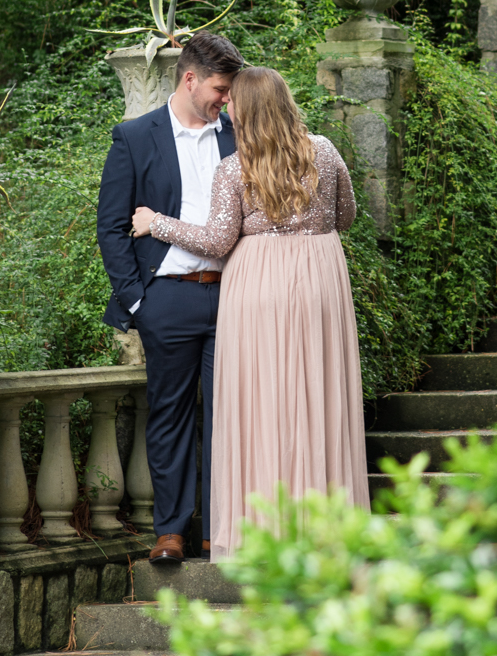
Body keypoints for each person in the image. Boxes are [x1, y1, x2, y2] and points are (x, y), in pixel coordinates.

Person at [132, 66, 370, 560]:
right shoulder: (323, 151)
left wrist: (159, 223)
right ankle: (323, 527)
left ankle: (263, 530)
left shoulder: (235, 167)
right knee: (317, 398)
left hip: (259, 286)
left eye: (235, 102)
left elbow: (219, 240)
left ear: (251, 109)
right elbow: (346, 216)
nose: (228, 108)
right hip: (320, 282)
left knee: (262, 406)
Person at [97, 31, 244, 565]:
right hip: (168, 300)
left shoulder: (239, 134)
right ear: (190, 78)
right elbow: (112, 227)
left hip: (234, 296)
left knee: (231, 416)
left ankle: (220, 531)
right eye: (220, 89)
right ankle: (173, 533)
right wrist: (139, 303)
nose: (225, 99)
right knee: (171, 415)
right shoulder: (135, 137)